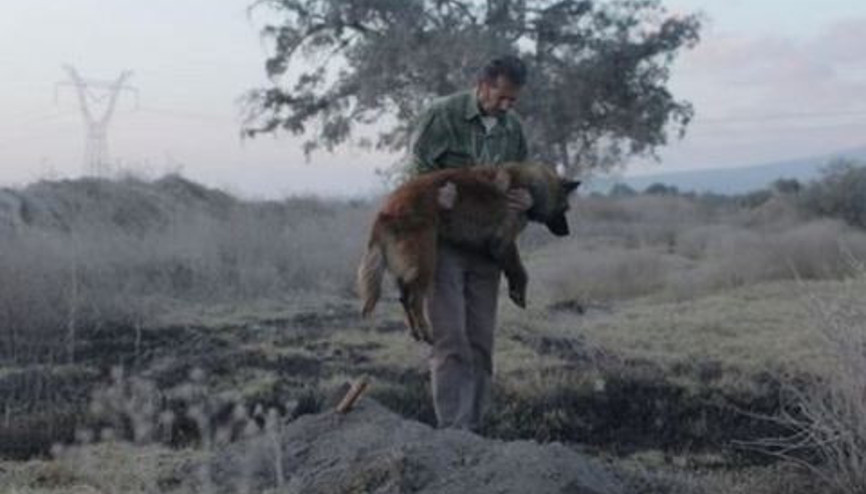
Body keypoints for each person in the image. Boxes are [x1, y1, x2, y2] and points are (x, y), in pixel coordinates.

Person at [407, 55, 533, 431]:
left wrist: (525, 202)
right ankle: (453, 433)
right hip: (444, 246)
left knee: (481, 342)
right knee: (450, 341)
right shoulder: (440, 116)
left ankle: (475, 433)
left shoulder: (514, 130)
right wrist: (434, 195)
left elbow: (523, 181)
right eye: (502, 97)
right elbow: (414, 180)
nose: (508, 106)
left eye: (514, 99)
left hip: (488, 249)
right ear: (483, 84)